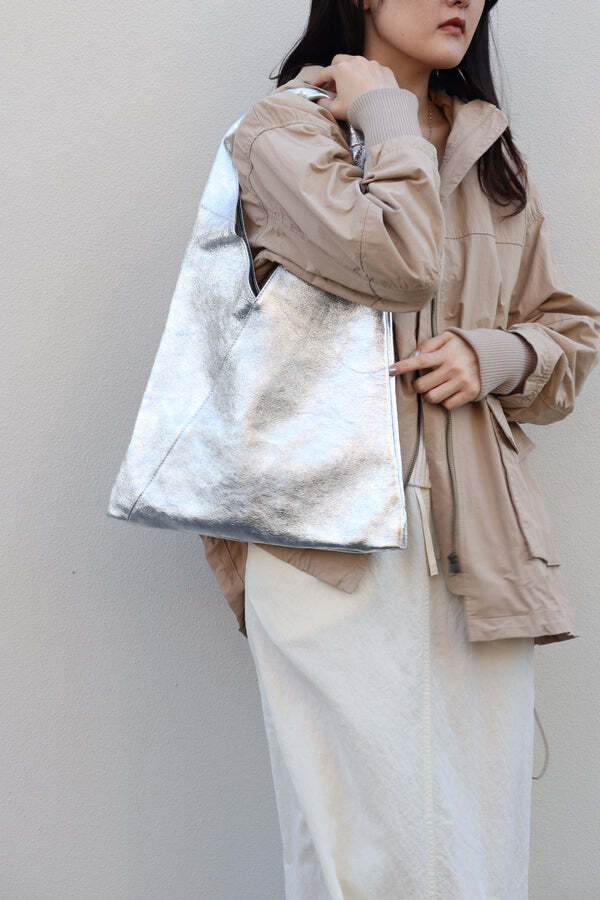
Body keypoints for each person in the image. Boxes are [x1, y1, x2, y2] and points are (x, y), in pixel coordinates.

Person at [201, 1, 600, 896]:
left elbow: (569, 336)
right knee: (358, 851)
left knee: (478, 849)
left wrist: (493, 354)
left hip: (480, 540)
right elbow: (398, 265)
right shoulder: (284, 131)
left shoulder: (489, 150)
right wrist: (384, 114)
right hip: (329, 546)